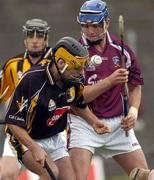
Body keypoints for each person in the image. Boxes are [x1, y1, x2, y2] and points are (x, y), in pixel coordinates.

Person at [4, 36, 113, 180]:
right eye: (77, 68)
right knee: (50, 174)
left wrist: (94, 122)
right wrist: (35, 148)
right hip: (27, 137)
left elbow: (76, 103)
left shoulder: (74, 80)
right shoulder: (32, 80)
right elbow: (12, 122)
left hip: (54, 137)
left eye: (82, 68)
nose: (81, 73)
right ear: (61, 63)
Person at [68, 0, 152, 180]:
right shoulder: (74, 53)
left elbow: (135, 85)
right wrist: (110, 81)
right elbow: (76, 99)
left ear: (106, 22)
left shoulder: (122, 50)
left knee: (147, 177)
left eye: (95, 25)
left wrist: (133, 112)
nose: (89, 31)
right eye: (85, 25)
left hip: (118, 126)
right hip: (84, 124)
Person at [0, 18, 52, 179]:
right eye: (31, 36)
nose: (35, 40)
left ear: (46, 39)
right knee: (6, 174)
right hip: (19, 131)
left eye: (39, 36)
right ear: (25, 39)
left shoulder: (55, 63)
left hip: (51, 132)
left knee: (55, 175)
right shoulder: (13, 65)